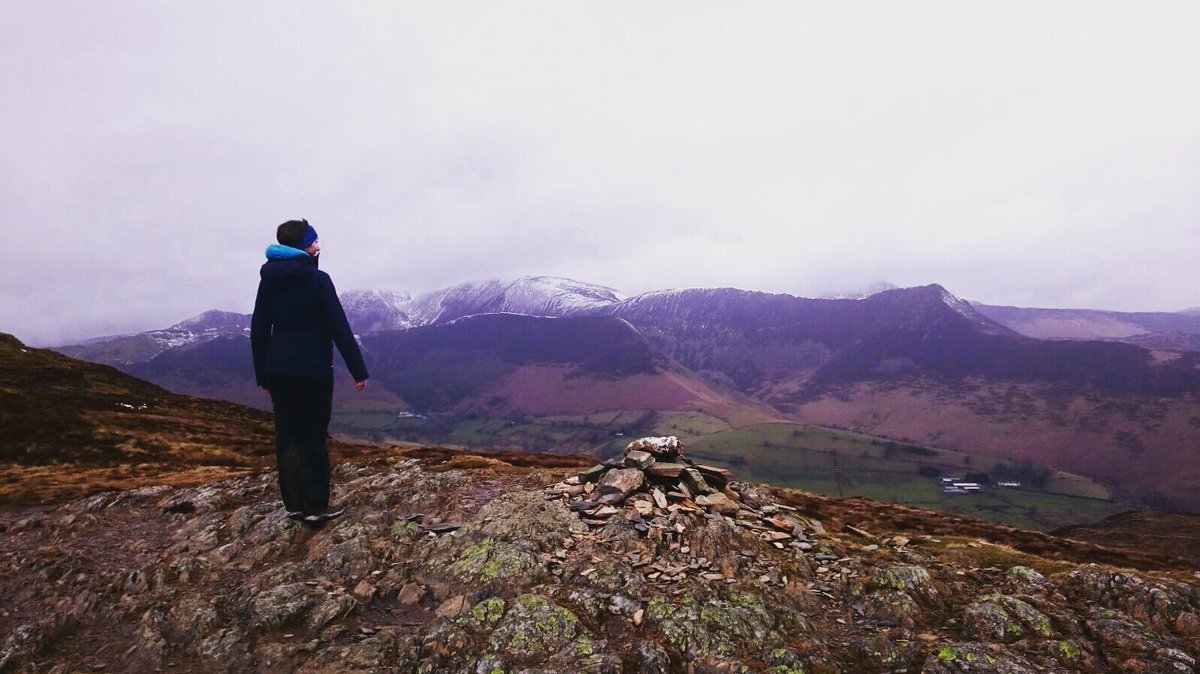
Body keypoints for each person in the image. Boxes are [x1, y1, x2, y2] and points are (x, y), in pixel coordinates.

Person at [251, 219, 368, 527]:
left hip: (278, 370)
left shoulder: (268, 279)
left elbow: (260, 329)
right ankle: (315, 506)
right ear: (302, 246)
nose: (318, 246)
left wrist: (262, 373)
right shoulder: (318, 280)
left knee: (288, 434)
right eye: (314, 241)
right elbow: (338, 327)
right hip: (313, 370)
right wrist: (358, 370)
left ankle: (293, 504)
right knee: (313, 436)